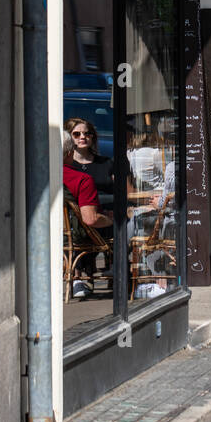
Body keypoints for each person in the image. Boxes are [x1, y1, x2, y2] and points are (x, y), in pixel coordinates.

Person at [63, 143, 112, 301]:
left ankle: (79, 277)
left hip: (49, 234)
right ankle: (117, 272)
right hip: (75, 235)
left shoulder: (35, 176)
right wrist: (111, 219)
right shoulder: (82, 179)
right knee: (119, 222)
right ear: (70, 153)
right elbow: (91, 219)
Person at [64, 117, 115, 209]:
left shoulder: (107, 162)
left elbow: (123, 191)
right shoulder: (66, 165)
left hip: (109, 213)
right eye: (76, 134)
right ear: (68, 137)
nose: (83, 137)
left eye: (87, 134)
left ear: (92, 137)